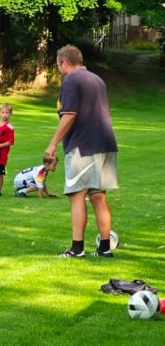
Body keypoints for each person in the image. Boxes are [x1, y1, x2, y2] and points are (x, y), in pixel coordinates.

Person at [45, 44, 119, 258]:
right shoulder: (97, 79)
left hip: (84, 146)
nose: (58, 69)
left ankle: (77, 249)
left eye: (58, 65)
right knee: (99, 195)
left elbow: (69, 115)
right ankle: (105, 248)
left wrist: (52, 144)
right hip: (106, 143)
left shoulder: (71, 80)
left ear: (64, 62)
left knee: (77, 194)